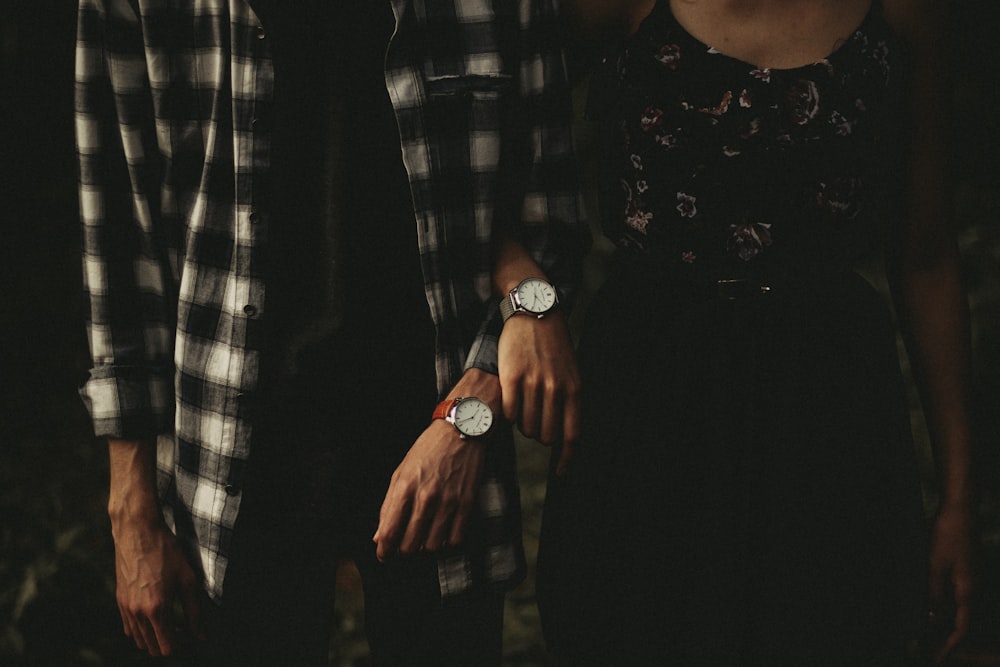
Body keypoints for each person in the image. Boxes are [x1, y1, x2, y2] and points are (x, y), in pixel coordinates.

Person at [76, 0, 585, 664]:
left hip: (437, 440)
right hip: (232, 452)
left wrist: (471, 415)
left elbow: (551, 220)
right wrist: (131, 509)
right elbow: (120, 238)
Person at [537, 0, 975, 664]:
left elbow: (927, 255)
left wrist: (958, 502)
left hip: (827, 408)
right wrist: (522, 291)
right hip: (654, 397)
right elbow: (503, 152)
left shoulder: (907, 14)